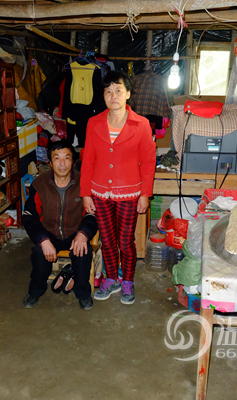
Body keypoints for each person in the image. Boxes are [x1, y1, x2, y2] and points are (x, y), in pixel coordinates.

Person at [80, 71, 156, 305]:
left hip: (129, 193)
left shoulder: (141, 124)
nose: (113, 96)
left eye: (118, 90)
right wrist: (85, 193)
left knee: (125, 241)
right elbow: (88, 159)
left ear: (128, 94)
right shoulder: (94, 123)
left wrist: (145, 194)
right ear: (103, 95)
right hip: (100, 192)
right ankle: (112, 278)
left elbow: (148, 162)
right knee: (107, 239)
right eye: (108, 91)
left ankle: (128, 281)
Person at [22, 141, 98, 310]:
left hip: (74, 233)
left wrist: (83, 233)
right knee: (39, 253)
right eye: (57, 158)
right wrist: (43, 239)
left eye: (66, 158)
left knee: (83, 251)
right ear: (50, 162)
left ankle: (83, 293)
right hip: (49, 234)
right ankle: (35, 291)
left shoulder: (84, 183)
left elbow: (92, 213)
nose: (62, 163)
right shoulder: (40, 184)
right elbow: (29, 216)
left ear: (73, 161)